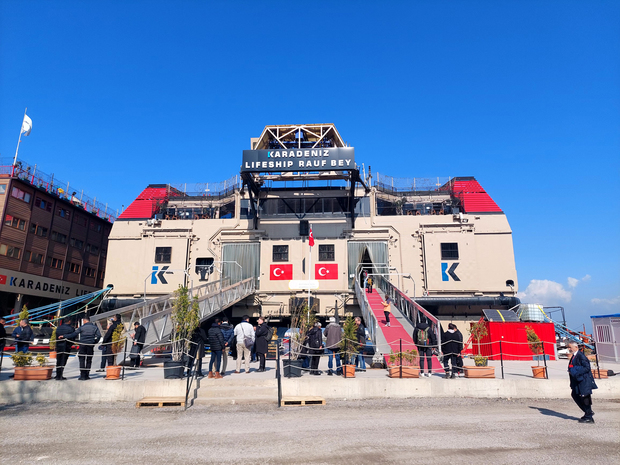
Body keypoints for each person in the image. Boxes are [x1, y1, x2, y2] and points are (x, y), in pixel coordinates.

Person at [568, 341, 598, 423]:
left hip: (583, 380)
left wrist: (575, 371)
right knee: (575, 394)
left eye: (570, 347)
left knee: (585, 397)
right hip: (578, 380)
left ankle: (589, 416)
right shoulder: (574, 356)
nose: (569, 349)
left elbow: (587, 367)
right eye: (569, 347)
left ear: (576, 347)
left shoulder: (581, 356)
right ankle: (588, 412)